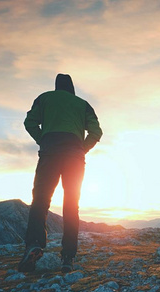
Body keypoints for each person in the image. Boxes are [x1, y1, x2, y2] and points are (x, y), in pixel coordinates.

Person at [18, 74, 103, 273]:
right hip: (74, 157)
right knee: (71, 205)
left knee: (40, 200)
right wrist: (82, 148)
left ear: (56, 87)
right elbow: (96, 131)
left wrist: (43, 140)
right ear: (72, 88)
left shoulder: (45, 98)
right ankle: (68, 257)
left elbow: (29, 122)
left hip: (49, 154)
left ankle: (35, 245)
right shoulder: (82, 104)